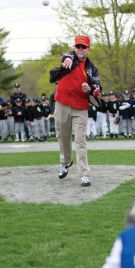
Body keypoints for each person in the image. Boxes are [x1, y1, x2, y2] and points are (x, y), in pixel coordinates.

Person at [52, 35, 101, 186]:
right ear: (74, 47)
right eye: (78, 46)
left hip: (80, 107)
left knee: (80, 141)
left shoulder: (91, 68)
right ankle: (66, 162)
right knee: (63, 136)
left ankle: (84, 174)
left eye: (83, 47)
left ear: (88, 49)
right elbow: (64, 56)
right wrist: (66, 58)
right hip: (62, 104)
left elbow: (98, 88)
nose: (80, 49)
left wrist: (91, 89)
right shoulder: (69, 57)